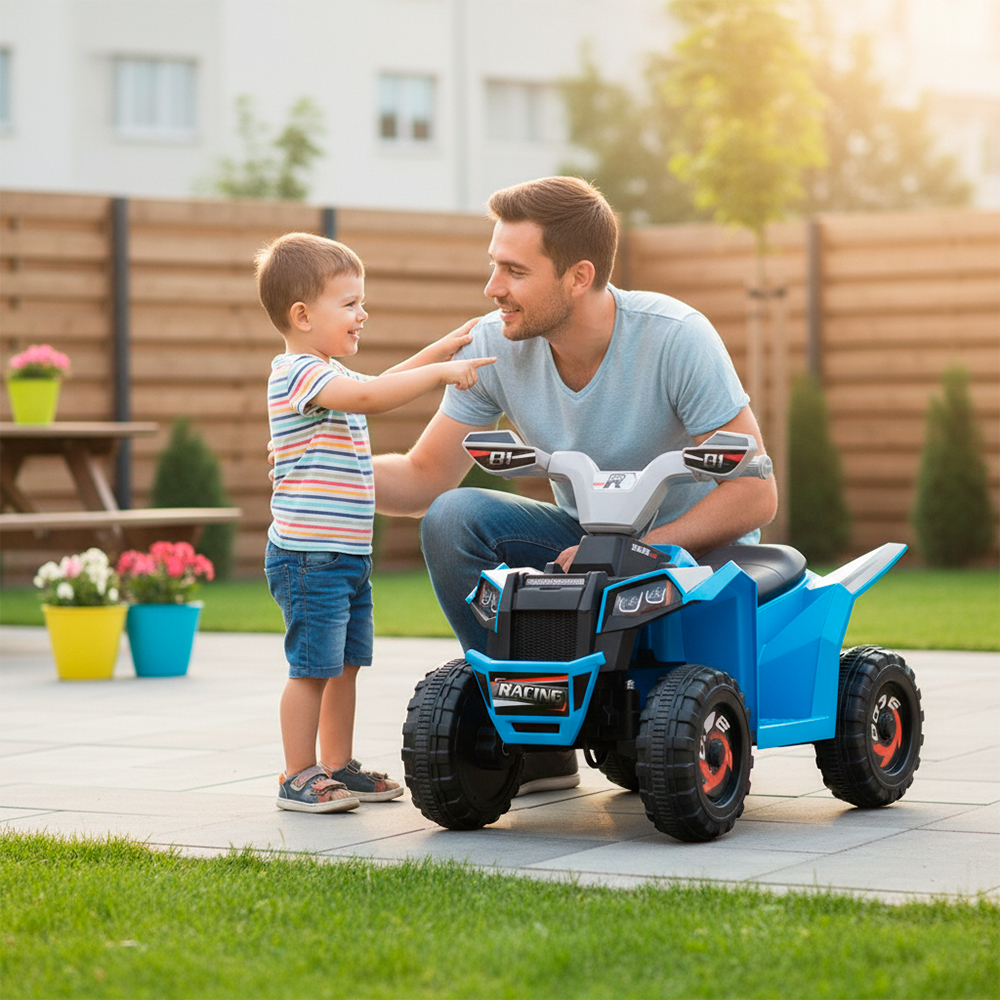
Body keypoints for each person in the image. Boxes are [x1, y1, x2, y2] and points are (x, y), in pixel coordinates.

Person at [370, 176, 778, 794]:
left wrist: (640, 553)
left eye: (514, 270)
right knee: (453, 516)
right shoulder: (495, 345)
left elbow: (756, 492)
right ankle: (532, 732)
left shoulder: (675, 337)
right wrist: (326, 471)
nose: (492, 289)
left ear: (578, 277)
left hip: (697, 553)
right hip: (591, 541)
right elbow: (426, 478)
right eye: (493, 266)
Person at [255, 232, 494, 812]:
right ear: (302, 315)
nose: (363, 314)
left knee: (345, 666)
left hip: (343, 556)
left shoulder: (328, 372)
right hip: (309, 556)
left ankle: (337, 766)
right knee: (312, 669)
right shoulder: (299, 373)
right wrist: (441, 376)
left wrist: (438, 351)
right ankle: (297, 774)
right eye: (351, 304)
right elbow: (374, 398)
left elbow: (378, 384)